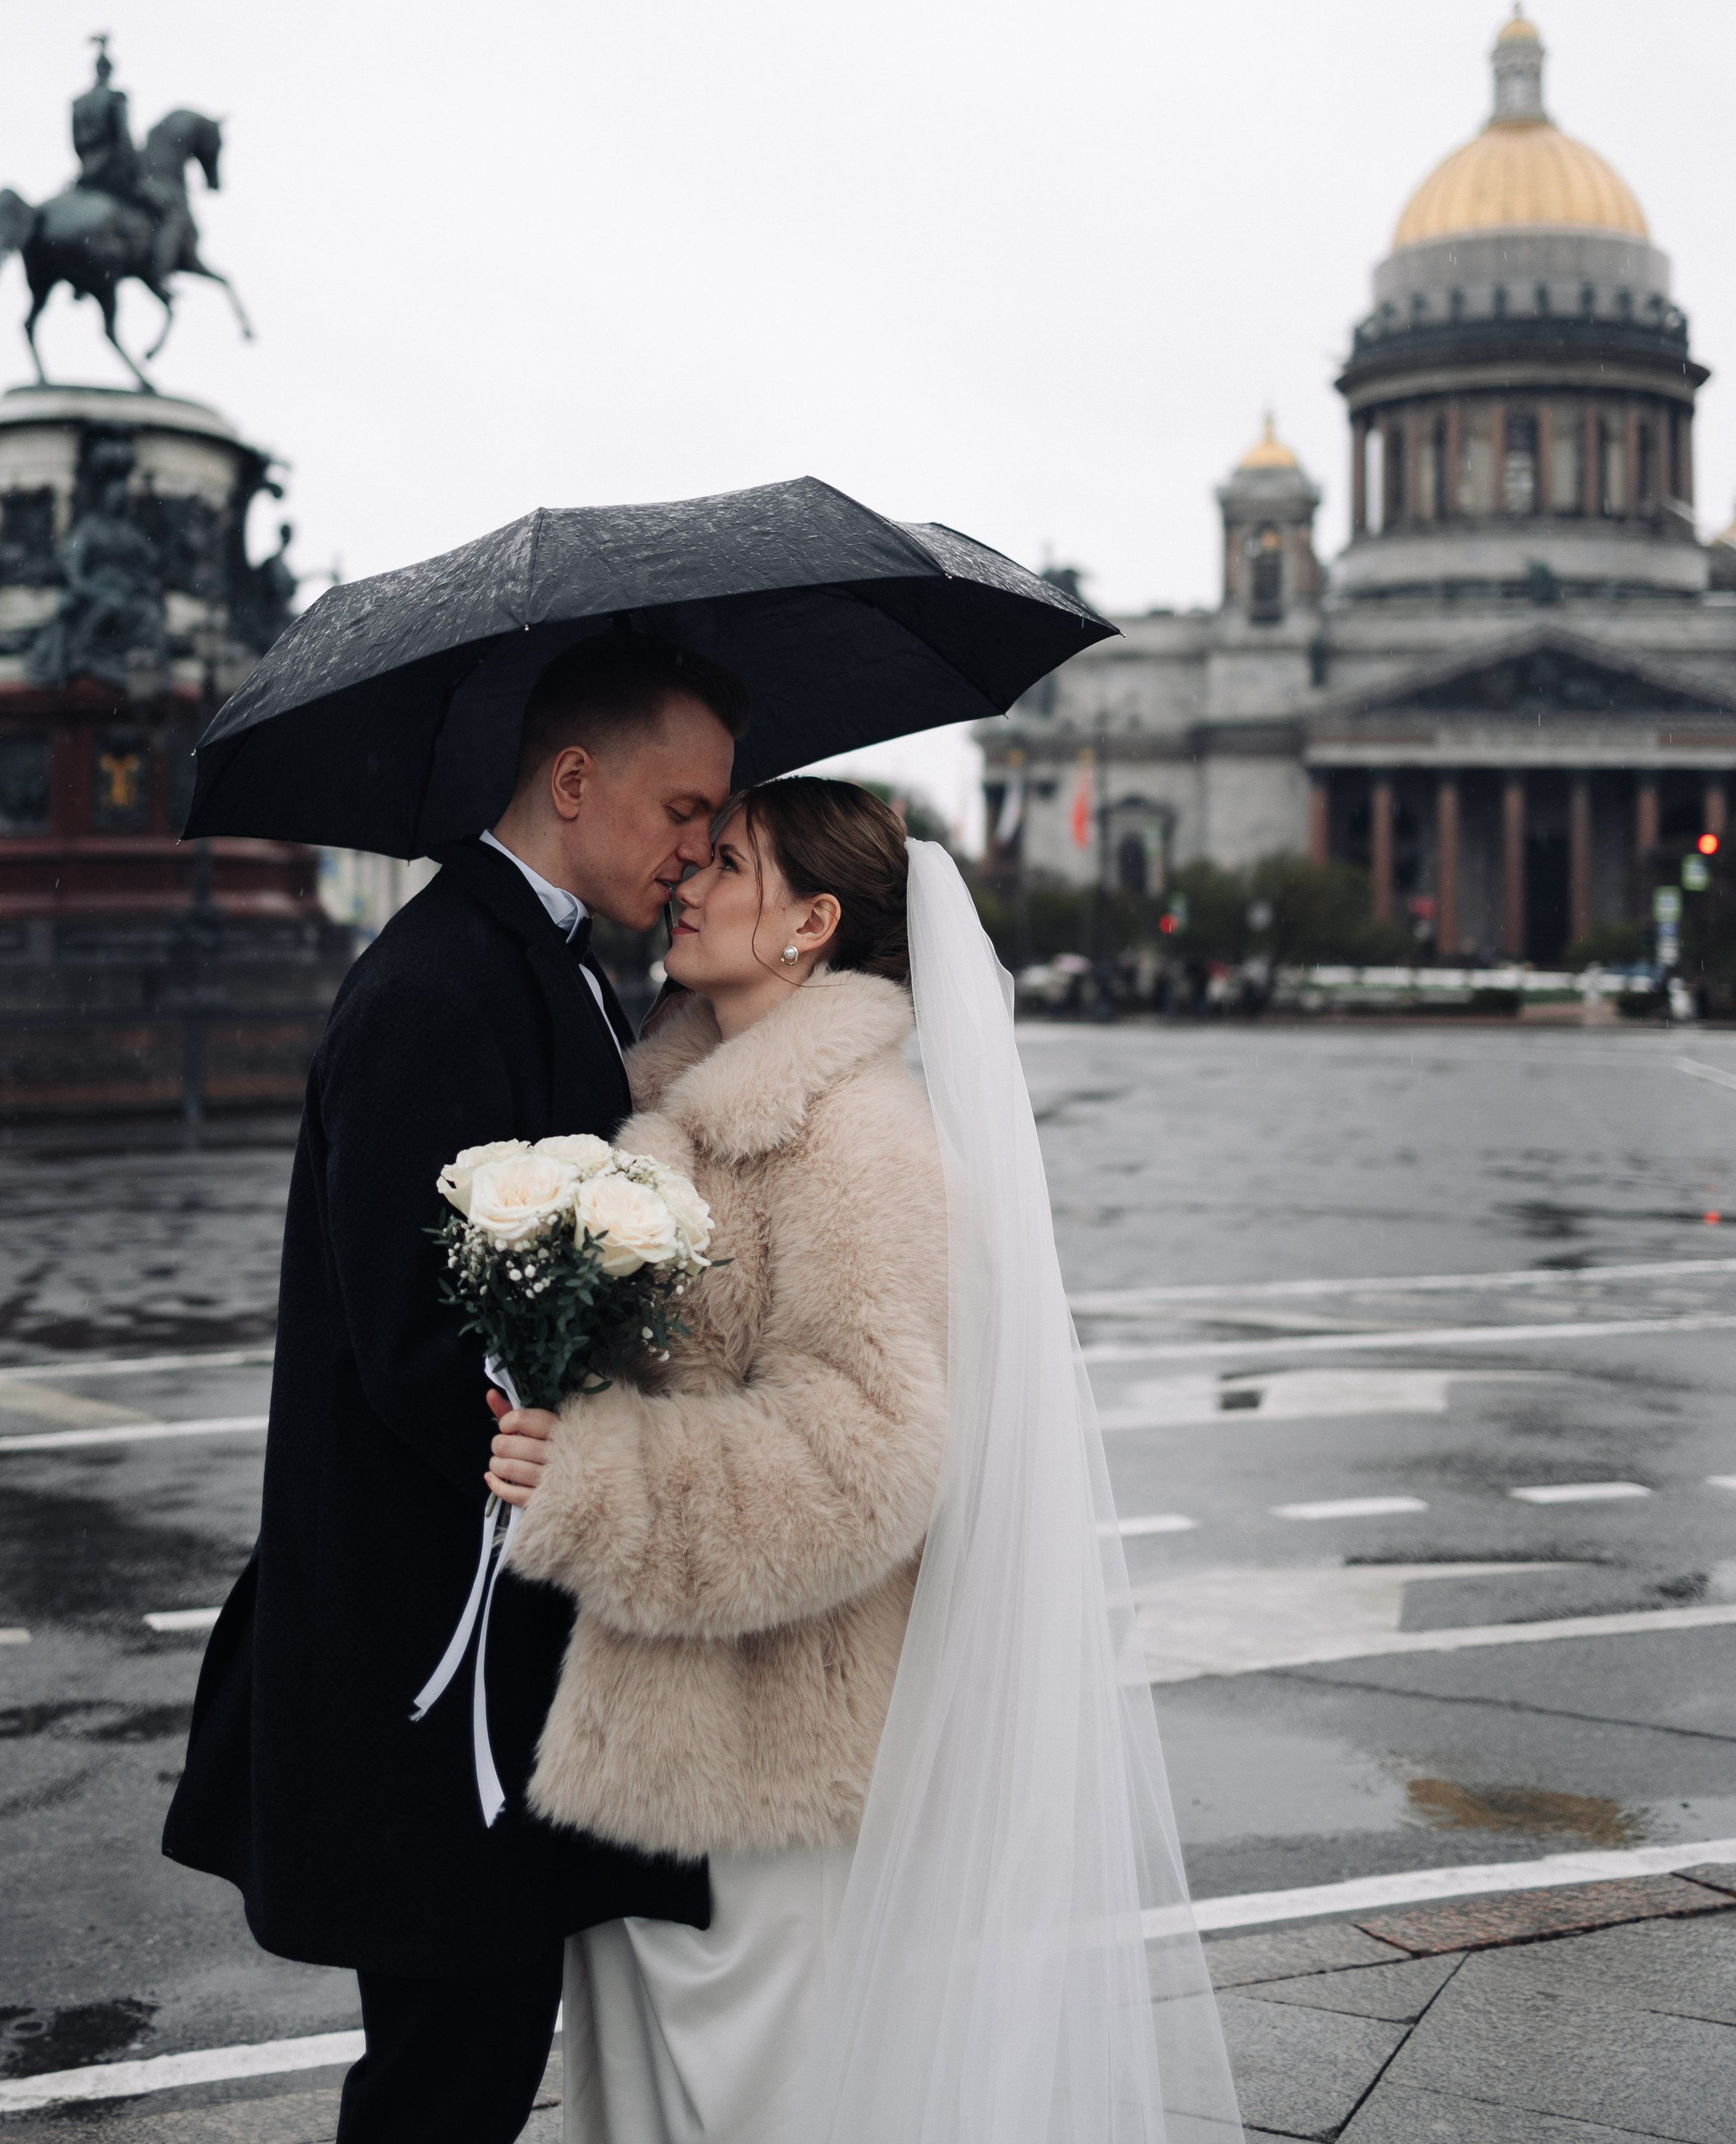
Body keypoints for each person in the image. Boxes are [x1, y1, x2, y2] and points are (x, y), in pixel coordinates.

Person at [492, 778, 1245, 2144]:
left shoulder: (854, 1134)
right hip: (652, 1733)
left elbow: (863, 1457)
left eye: (728, 863)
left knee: (769, 2109)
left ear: (813, 923)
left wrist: (597, 1478)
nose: (688, 881)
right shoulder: (681, 1111)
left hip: (775, 1752)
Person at [163, 631, 750, 2144]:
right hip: (432, 1649)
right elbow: (420, 1345)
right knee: (447, 2076)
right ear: (575, 780)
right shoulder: (438, 982)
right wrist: (597, 1455)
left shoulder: (529, 960)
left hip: (481, 1637)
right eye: (683, 809)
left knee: (472, 2058)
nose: (697, 851)